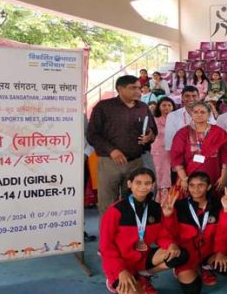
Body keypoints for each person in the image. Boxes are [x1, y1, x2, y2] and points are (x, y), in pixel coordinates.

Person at [99, 168, 188, 294]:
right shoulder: (115, 211)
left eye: (147, 183)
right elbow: (105, 246)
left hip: (142, 258)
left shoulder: (154, 208)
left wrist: (170, 244)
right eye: (138, 183)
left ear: (153, 185)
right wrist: (120, 271)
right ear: (129, 184)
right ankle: (114, 280)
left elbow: (161, 235)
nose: (142, 187)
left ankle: (144, 275)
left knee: (179, 254)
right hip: (121, 263)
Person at [87, 75, 157, 214]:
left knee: (133, 202)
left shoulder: (142, 107)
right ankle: (108, 236)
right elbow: (92, 135)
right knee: (108, 205)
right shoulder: (104, 107)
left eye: (139, 88)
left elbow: (153, 130)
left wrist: (150, 136)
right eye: (133, 88)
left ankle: (130, 234)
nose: (138, 91)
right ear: (120, 89)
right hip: (110, 162)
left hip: (136, 162)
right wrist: (112, 150)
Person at [163, 172, 227, 294]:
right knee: (192, 291)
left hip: (209, 251)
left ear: (209, 187)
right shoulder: (179, 206)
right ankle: (187, 268)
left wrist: (226, 211)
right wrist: (168, 216)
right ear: (187, 187)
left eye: (201, 185)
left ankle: (205, 265)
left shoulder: (218, 205)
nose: (196, 189)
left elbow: (223, 232)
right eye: (192, 185)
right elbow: (171, 233)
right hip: (187, 254)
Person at [171, 101, 227, 194]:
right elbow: (176, 157)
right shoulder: (182, 133)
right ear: (191, 114)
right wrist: (183, 178)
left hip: (213, 174)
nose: (199, 115)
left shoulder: (219, 132)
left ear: (209, 114)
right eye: (195, 112)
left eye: (202, 112)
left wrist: (223, 177)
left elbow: (225, 156)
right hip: (189, 175)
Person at [163, 86, 216, 152]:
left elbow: (213, 132)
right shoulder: (172, 116)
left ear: (199, 97)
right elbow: (169, 140)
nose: (191, 99)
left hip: (204, 152)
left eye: (194, 96)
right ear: (182, 98)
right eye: (187, 96)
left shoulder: (207, 113)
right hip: (182, 153)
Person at [151, 97, 175, 202]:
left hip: (174, 152)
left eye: (169, 105)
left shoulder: (177, 121)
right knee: (159, 176)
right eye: (164, 105)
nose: (167, 108)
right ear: (159, 107)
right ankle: (159, 202)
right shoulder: (154, 120)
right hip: (158, 153)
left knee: (172, 177)